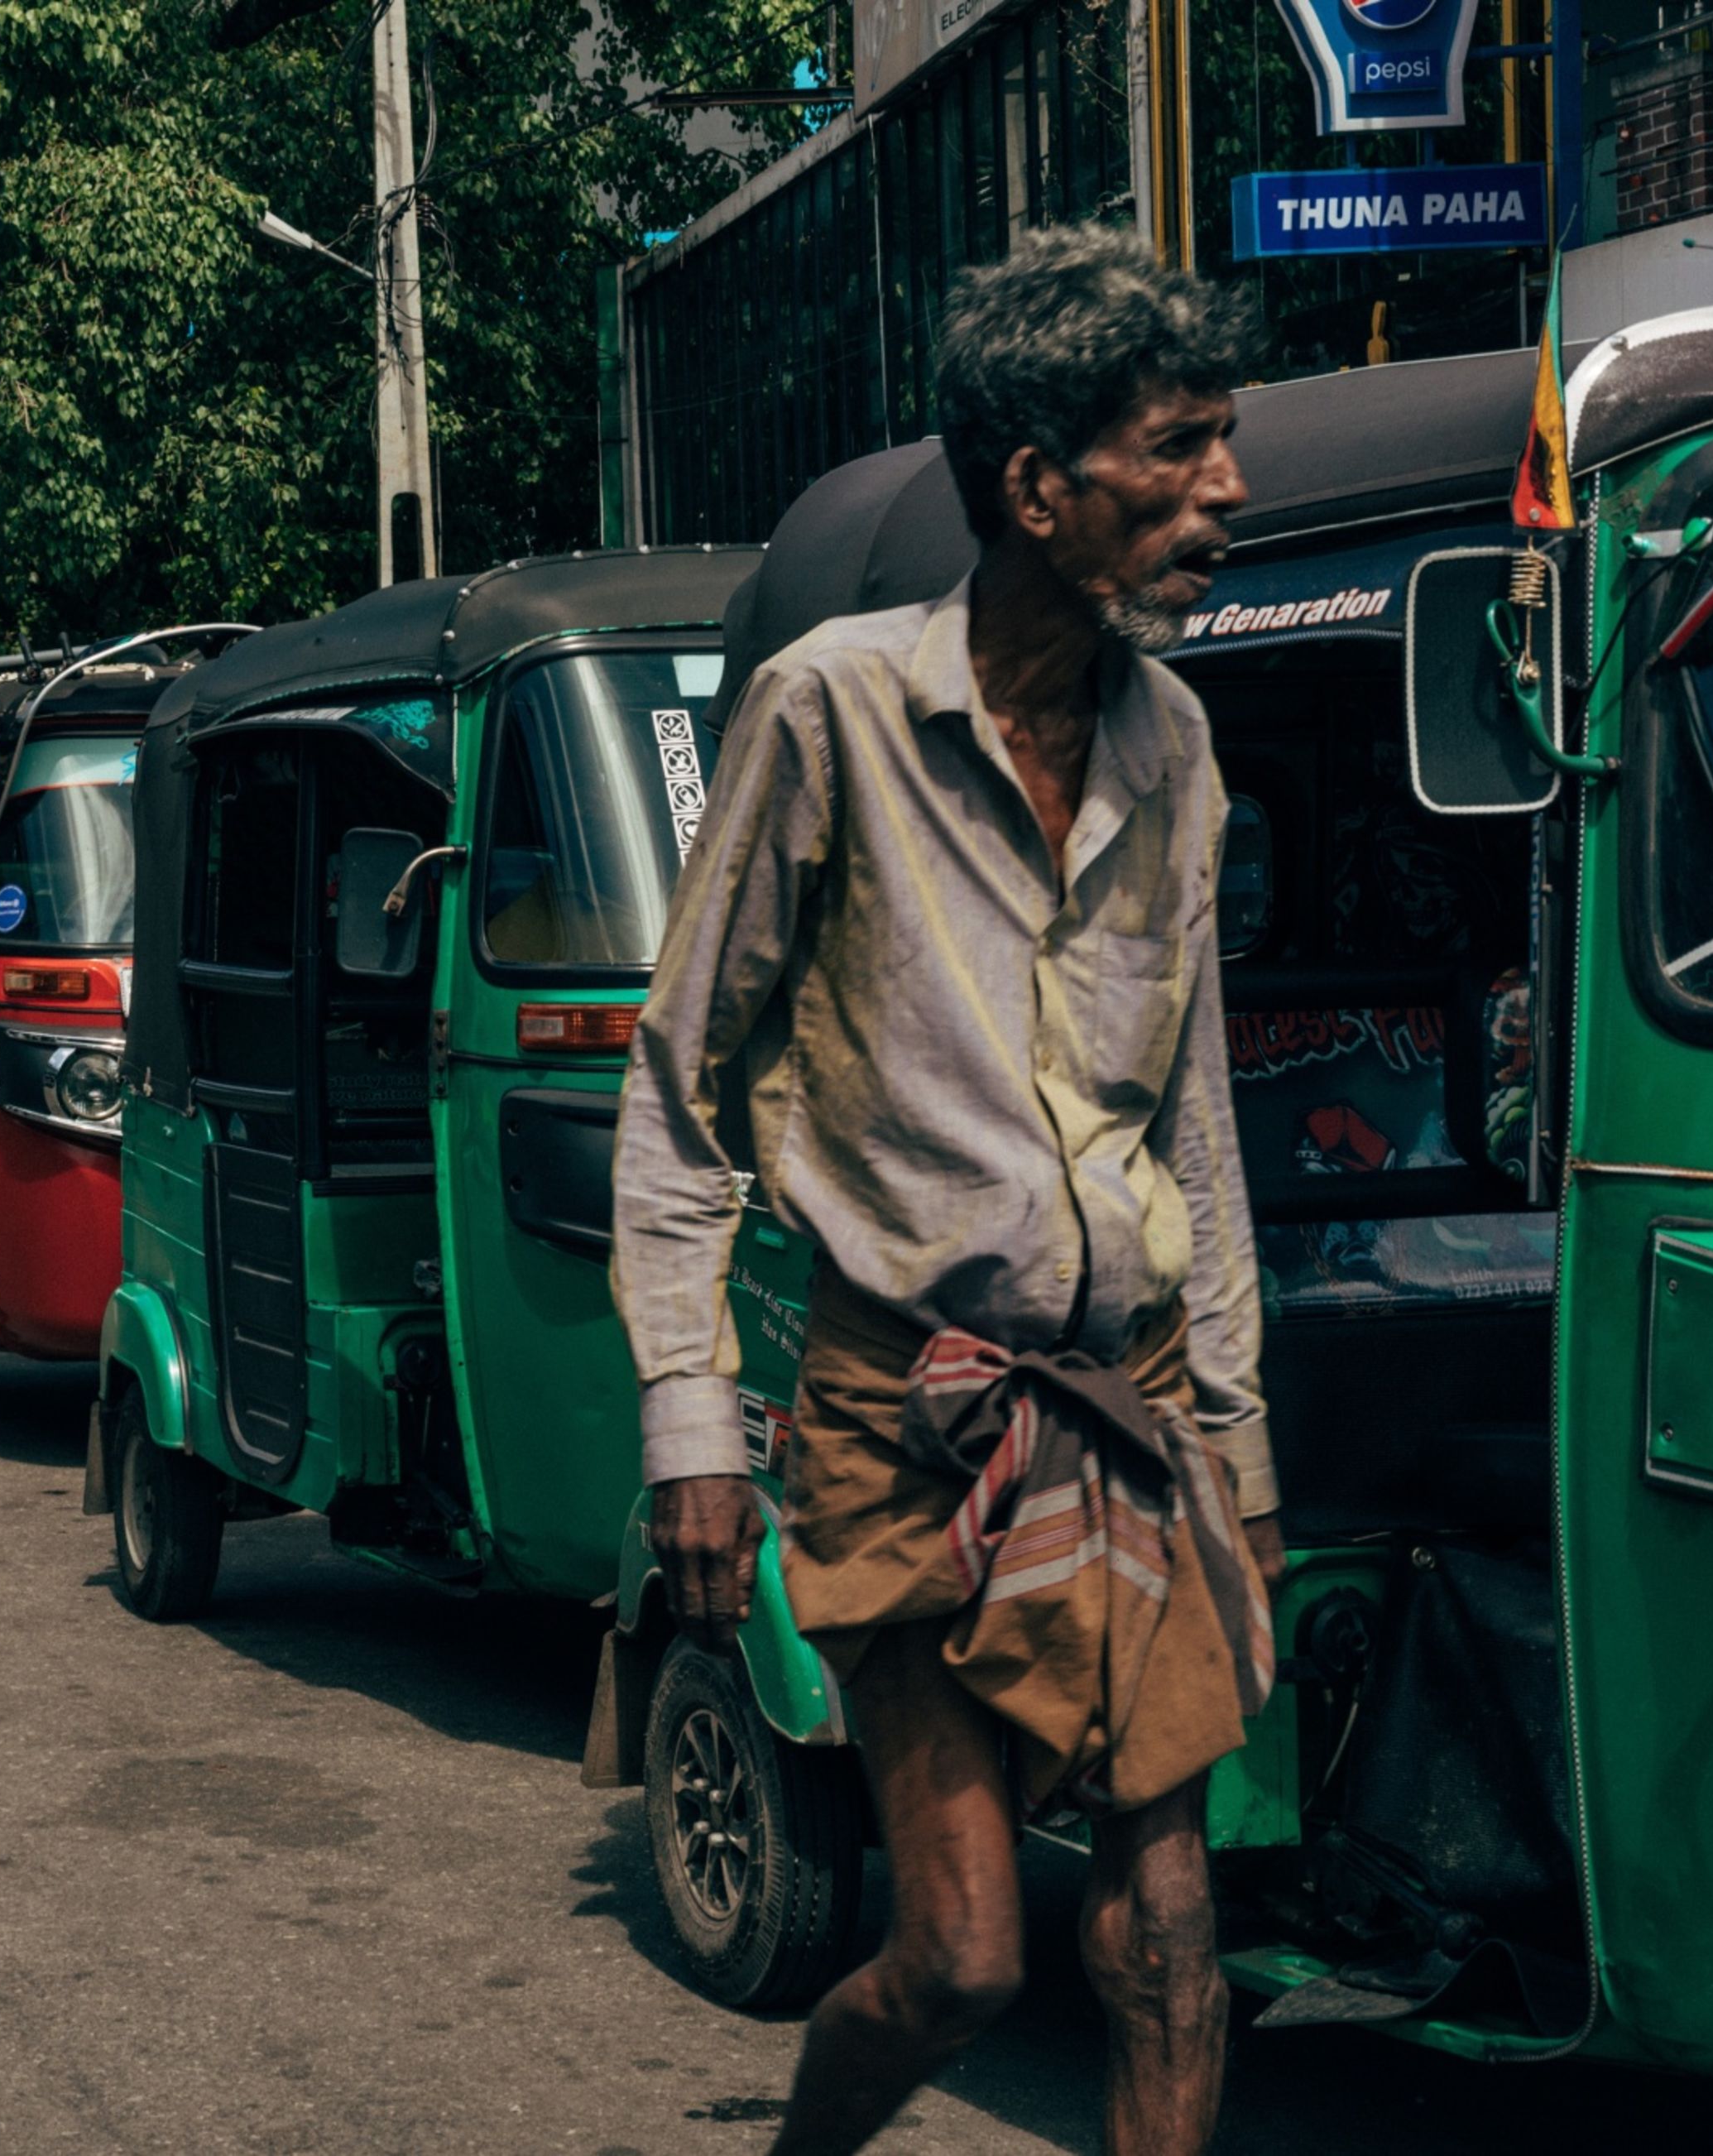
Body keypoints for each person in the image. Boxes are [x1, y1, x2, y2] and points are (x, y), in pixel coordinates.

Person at [612, 227, 1283, 2156]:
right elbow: (679, 1090)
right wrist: (685, 1427)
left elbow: (1196, 1127)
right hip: (896, 1412)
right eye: (1176, 448)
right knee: (965, 1959)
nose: (1222, 491)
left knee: (1168, 1939)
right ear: (1034, 488)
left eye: (1221, 443)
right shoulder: (829, 714)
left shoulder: (1180, 745)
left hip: (1125, 1402)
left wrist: (1231, 1446)